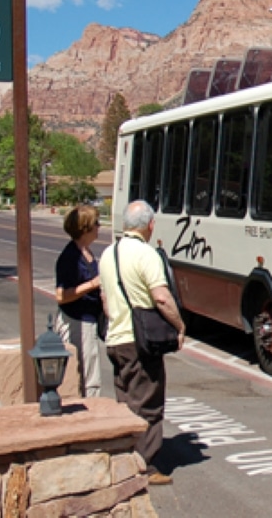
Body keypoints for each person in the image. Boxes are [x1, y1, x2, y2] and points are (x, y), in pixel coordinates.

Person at [100, 200, 185, 486]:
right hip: (139, 342)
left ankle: (124, 456)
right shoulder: (147, 255)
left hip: (115, 338)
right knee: (148, 403)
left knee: (126, 401)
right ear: (150, 225)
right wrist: (179, 325)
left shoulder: (108, 254)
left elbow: (105, 301)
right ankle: (144, 466)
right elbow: (161, 297)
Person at [54, 205, 104, 398]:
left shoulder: (86, 252)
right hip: (77, 320)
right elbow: (61, 295)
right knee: (85, 374)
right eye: (96, 223)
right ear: (85, 228)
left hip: (89, 319)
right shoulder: (70, 258)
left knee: (90, 370)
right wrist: (93, 284)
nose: (99, 227)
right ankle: (89, 411)